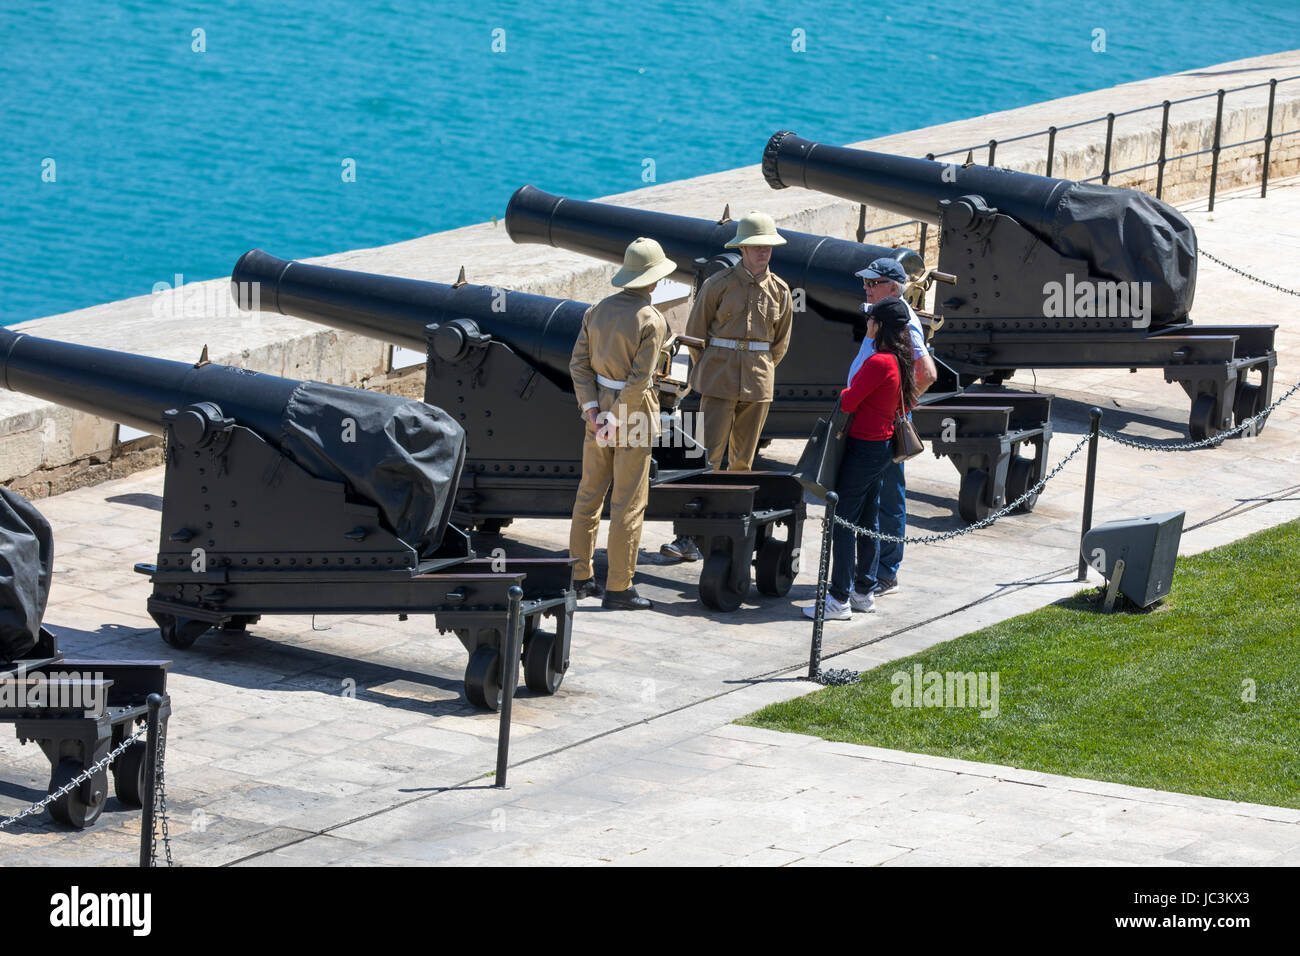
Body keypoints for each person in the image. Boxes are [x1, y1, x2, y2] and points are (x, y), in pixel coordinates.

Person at [661, 210, 793, 562]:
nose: (763, 252)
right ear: (743, 248)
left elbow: (780, 343)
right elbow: (696, 334)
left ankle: (729, 529)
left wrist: (758, 368)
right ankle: (689, 535)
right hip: (719, 380)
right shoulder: (717, 285)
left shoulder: (780, 291)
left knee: (743, 462)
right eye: (756, 246)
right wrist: (711, 370)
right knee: (705, 457)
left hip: (758, 382)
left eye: (768, 246)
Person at [569, 237, 676, 611]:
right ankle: (619, 587)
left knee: (589, 496)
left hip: (596, 412)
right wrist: (616, 418)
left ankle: (579, 577)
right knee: (628, 503)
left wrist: (594, 412)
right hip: (632, 417)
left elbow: (579, 365)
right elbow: (640, 380)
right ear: (653, 280)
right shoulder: (652, 319)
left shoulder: (597, 311)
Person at [804, 297, 919, 621]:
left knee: (842, 522)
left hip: (863, 448)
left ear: (878, 325)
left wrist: (866, 345)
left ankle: (838, 598)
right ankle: (864, 591)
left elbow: (850, 398)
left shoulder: (880, 361)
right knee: (869, 521)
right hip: (880, 448)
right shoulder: (899, 360)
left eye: (872, 321)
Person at [848, 258, 938, 598]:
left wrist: (896, 406)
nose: (867, 287)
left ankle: (885, 571)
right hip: (880, 418)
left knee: (887, 497)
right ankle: (875, 570)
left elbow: (926, 373)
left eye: (874, 282)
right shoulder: (888, 315)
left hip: (885, 422)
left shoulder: (900, 321)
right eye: (866, 282)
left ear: (894, 287)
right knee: (878, 496)